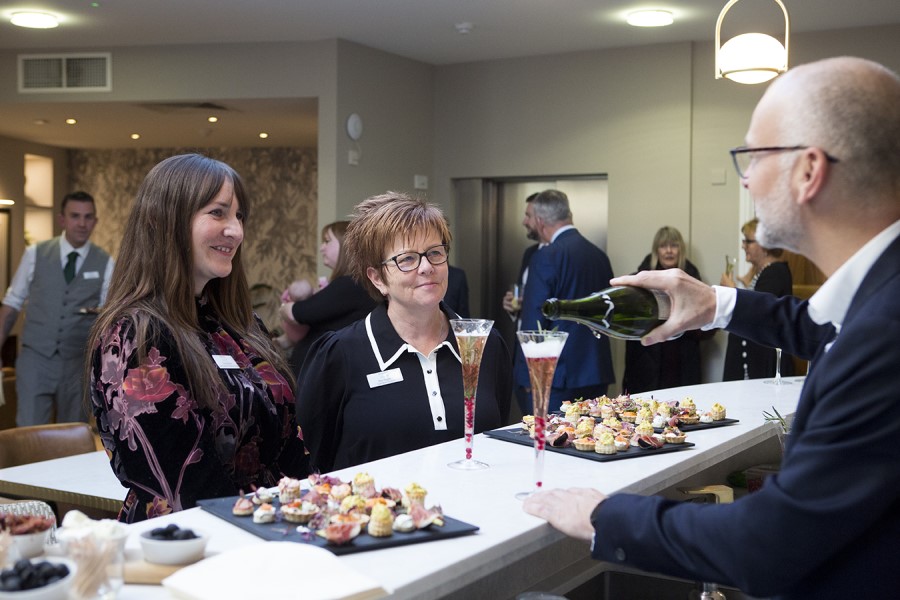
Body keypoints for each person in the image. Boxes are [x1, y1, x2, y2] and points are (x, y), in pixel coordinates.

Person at [523, 57, 900, 599]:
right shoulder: (880, 294)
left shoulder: (885, 334)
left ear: (809, 171)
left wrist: (604, 515)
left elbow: (767, 544)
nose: (745, 176)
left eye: (752, 155)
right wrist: (714, 304)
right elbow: (820, 329)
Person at [87, 154, 307, 523]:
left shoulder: (239, 324)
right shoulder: (135, 336)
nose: (235, 230)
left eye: (239, 216)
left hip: (271, 529)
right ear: (163, 220)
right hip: (193, 546)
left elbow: (289, 444)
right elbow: (184, 483)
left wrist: (314, 510)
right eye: (218, 213)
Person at [297, 192, 512, 473]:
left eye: (435, 253)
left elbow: (496, 440)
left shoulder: (484, 343)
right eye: (407, 259)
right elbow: (311, 460)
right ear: (377, 278)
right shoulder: (340, 354)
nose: (426, 267)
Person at [0, 191, 114, 425]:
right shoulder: (35, 254)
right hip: (35, 360)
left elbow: (108, 318)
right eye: (75, 216)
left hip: (76, 364)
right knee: (29, 433)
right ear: (62, 219)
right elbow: (12, 304)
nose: (82, 223)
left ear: (95, 221)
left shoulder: (106, 262)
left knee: (73, 433)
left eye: (88, 217)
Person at [516, 189, 614, 413]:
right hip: (596, 371)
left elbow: (535, 319)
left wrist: (526, 376)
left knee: (554, 441)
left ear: (540, 222)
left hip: (558, 375)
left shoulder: (545, 257)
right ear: (568, 215)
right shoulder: (599, 256)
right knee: (590, 438)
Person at [278, 221, 375, 377]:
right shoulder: (351, 285)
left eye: (327, 241)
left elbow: (298, 313)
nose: (322, 247)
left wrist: (284, 307)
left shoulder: (350, 284)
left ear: (346, 245)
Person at [622, 226, 710, 393]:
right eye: (663, 246)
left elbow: (706, 326)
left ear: (681, 250)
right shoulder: (638, 280)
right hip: (645, 360)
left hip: (682, 358)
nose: (669, 251)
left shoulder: (693, 280)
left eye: (674, 245)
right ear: (656, 250)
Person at [719, 218, 795, 380]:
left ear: (765, 245)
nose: (743, 246)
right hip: (754, 360)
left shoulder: (775, 272)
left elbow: (757, 311)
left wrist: (731, 290)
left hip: (763, 362)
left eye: (748, 241)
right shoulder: (765, 272)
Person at [502, 192, 542, 412]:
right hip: (519, 354)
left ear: (541, 219)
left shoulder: (556, 256)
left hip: (539, 364)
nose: (524, 221)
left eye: (528, 215)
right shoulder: (530, 253)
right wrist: (513, 308)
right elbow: (525, 299)